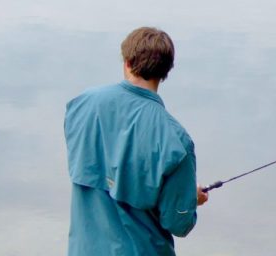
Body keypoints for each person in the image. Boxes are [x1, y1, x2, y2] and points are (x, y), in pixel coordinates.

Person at [64, 27, 209, 255]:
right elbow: (178, 223)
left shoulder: (82, 105)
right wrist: (189, 200)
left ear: (128, 62)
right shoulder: (177, 141)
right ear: (165, 72)